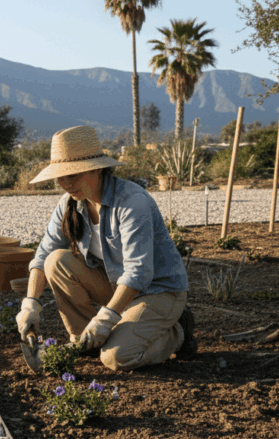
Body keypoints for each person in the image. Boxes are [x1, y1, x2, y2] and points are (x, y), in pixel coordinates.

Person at [15, 125, 195, 371]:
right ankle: (84, 340)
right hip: (116, 286)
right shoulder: (70, 204)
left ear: (97, 168)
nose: (66, 183)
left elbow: (138, 273)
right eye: (61, 176)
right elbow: (43, 255)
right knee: (56, 261)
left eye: (74, 175)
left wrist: (106, 318)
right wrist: (30, 305)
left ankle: (178, 332)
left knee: (116, 357)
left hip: (158, 292)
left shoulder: (131, 203)